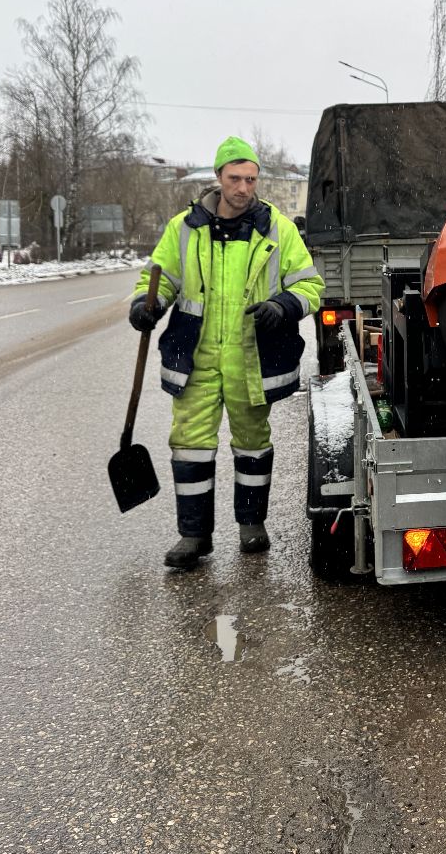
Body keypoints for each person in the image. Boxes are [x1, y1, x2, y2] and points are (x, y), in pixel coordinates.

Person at [129, 136, 324, 570]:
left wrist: (282, 306)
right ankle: (193, 535)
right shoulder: (184, 228)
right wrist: (147, 306)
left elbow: (310, 286)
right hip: (196, 356)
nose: (243, 188)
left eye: (251, 179)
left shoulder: (278, 229)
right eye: (235, 179)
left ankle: (252, 525)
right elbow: (159, 279)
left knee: (253, 443)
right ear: (218, 178)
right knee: (190, 444)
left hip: (250, 358)